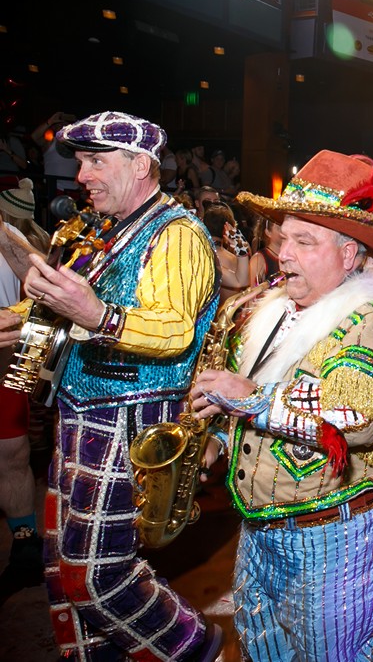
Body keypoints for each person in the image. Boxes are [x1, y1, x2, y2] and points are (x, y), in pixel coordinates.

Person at [190, 148, 373, 660]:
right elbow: (261, 407)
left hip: (335, 543)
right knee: (263, 650)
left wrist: (251, 399)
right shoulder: (275, 313)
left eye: (304, 241)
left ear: (348, 254)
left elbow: (356, 423)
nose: (284, 254)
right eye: (282, 239)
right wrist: (219, 438)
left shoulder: (368, 323)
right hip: (261, 532)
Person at [13, 111, 222, 659]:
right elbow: (62, 305)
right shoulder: (105, 229)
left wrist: (97, 314)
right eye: (81, 162)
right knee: (63, 569)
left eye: (96, 161)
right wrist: (17, 318)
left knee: (99, 578)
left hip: (130, 420)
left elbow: (174, 331)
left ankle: (196, 649)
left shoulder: (178, 234)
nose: (81, 175)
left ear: (140, 165)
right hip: (81, 412)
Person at [0, 181, 43, 607]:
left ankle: (26, 545)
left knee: (11, 455)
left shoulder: (13, 237)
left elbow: (42, 287)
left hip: (4, 359)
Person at [201, 201, 250, 300]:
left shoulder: (203, 255)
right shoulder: (229, 258)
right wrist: (241, 247)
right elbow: (242, 282)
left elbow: (241, 282)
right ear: (228, 229)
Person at [249, 215, 285, 284]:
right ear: (268, 232)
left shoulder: (293, 255)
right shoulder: (259, 259)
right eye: (279, 228)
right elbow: (255, 292)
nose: (284, 232)